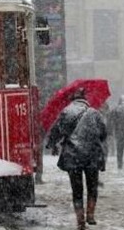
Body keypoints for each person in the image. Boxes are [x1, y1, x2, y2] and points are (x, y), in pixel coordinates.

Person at [46, 88, 107, 230]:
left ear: (72, 99)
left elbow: (56, 131)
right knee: (92, 187)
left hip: (73, 157)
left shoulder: (66, 112)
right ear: (85, 99)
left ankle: (80, 221)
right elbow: (103, 133)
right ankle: (90, 214)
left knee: (77, 190)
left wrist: (52, 144)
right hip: (92, 156)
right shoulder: (95, 113)